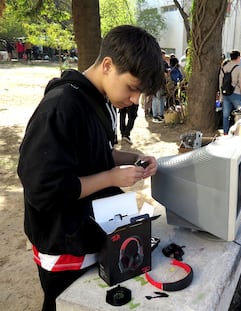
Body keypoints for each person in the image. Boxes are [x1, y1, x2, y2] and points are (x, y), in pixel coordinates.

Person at [17, 25, 164, 311]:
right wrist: (110, 177)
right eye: (133, 89)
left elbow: (98, 153)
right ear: (107, 65)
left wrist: (134, 158)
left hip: (91, 231)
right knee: (65, 304)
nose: (135, 101)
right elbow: (44, 188)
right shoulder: (61, 107)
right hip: (64, 244)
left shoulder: (98, 100)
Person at [219, 49, 241, 135]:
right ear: (238, 57)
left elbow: (221, 83)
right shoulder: (239, 68)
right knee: (240, 115)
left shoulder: (224, 68)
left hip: (226, 94)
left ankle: (225, 133)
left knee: (225, 115)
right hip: (237, 93)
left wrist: (221, 95)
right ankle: (238, 132)